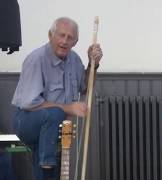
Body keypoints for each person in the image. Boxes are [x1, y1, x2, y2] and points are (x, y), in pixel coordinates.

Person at [11, 17, 103, 180]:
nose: (65, 41)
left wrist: (92, 64)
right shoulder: (36, 59)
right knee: (54, 113)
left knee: (53, 166)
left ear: (75, 42)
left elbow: (85, 86)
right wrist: (69, 108)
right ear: (50, 35)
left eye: (70, 38)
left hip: (53, 130)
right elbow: (29, 103)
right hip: (26, 121)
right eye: (61, 35)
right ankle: (47, 163)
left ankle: (47, 164)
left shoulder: (74, 59)